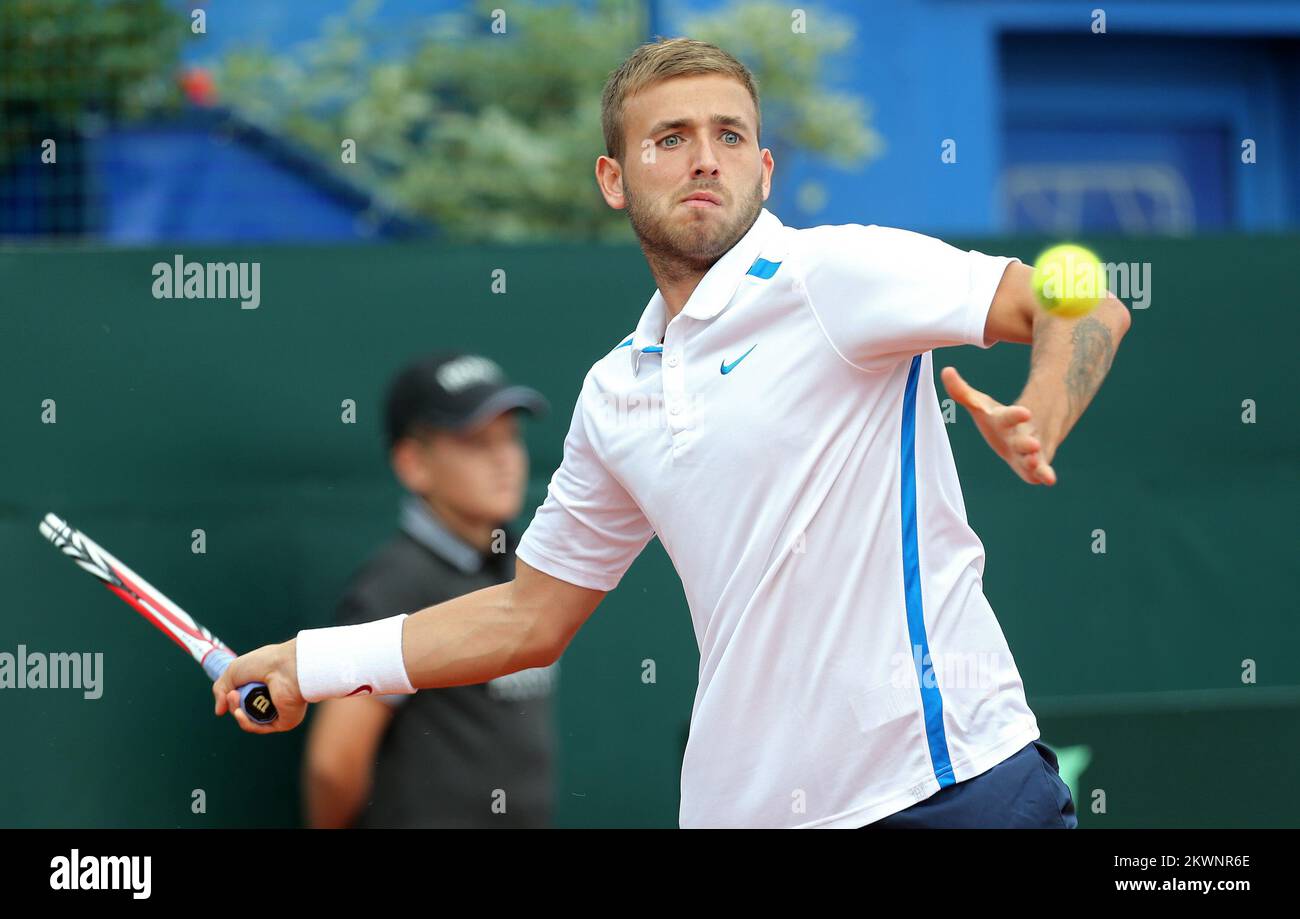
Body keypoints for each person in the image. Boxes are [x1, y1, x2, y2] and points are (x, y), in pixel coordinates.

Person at [215, 38, 1130, 829]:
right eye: (671, 138)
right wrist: (313, 663)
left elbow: (1085, 302)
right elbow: (528, 616)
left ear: (764, 170)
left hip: (949, 787)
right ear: (614, 179)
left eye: (729, 135)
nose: (705, 159)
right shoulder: (616, 394)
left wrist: (1042, 410)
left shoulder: (835, 275)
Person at [302, 351, 557, 828]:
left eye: (511, 438)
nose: (504, 459)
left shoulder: (527, 567)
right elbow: (333, 765)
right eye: (476, 442)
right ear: (413, 463)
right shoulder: (393, 586)